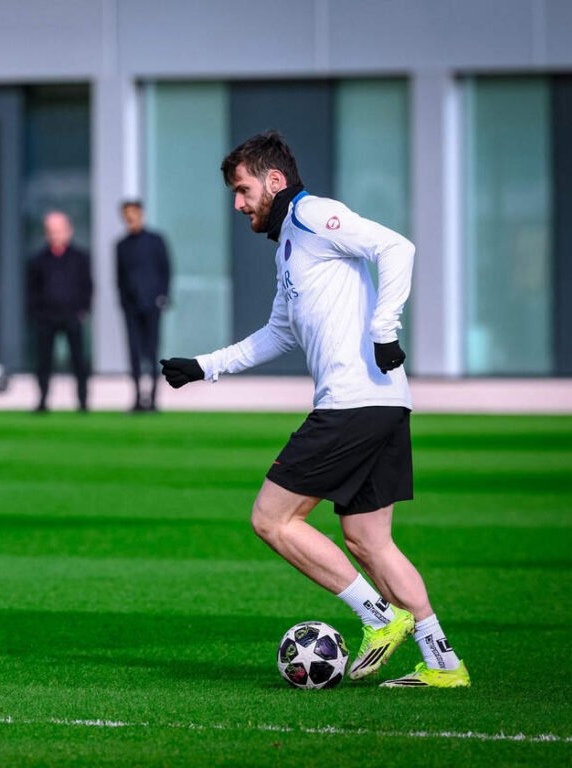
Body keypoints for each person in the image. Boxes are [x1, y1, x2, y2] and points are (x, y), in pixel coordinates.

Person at [161, 131, 468, 688]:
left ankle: (379, 617)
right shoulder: (288, 246)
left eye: (243, 190)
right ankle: (443, 662)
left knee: (272, 519)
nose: (238, 204)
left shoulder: (312, 216)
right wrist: (204, 367)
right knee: (368, 540)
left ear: (274, 181)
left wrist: (384, 328)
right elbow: (278, 333)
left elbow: (397, 248)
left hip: (352, 403)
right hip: (384, 402)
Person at [26, 210, 93, 412]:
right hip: (46, 317)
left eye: (59, 230)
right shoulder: (38, 260)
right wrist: (37, 313)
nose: (56, 235)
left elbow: (87, 286)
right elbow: (32, 290)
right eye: (51, 231)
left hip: (72, 315)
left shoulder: (80, 258)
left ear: (68, 231)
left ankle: (82, 401)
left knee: (78, 359)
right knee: (43, 360)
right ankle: (43, 399)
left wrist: (83, 310)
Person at [116, 200, 171, 412]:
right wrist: (124, 303)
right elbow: (119, 278)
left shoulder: (155, 241)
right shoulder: (121, 246)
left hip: (152, 306)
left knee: (153, 351)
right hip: (131, 308)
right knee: (134, 353)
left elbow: (165, 270)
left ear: (141, 214)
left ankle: (154, 397)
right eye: (126, 215)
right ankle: (138, 396)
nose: (130, 219)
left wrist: (162, 297)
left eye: (133, 214)